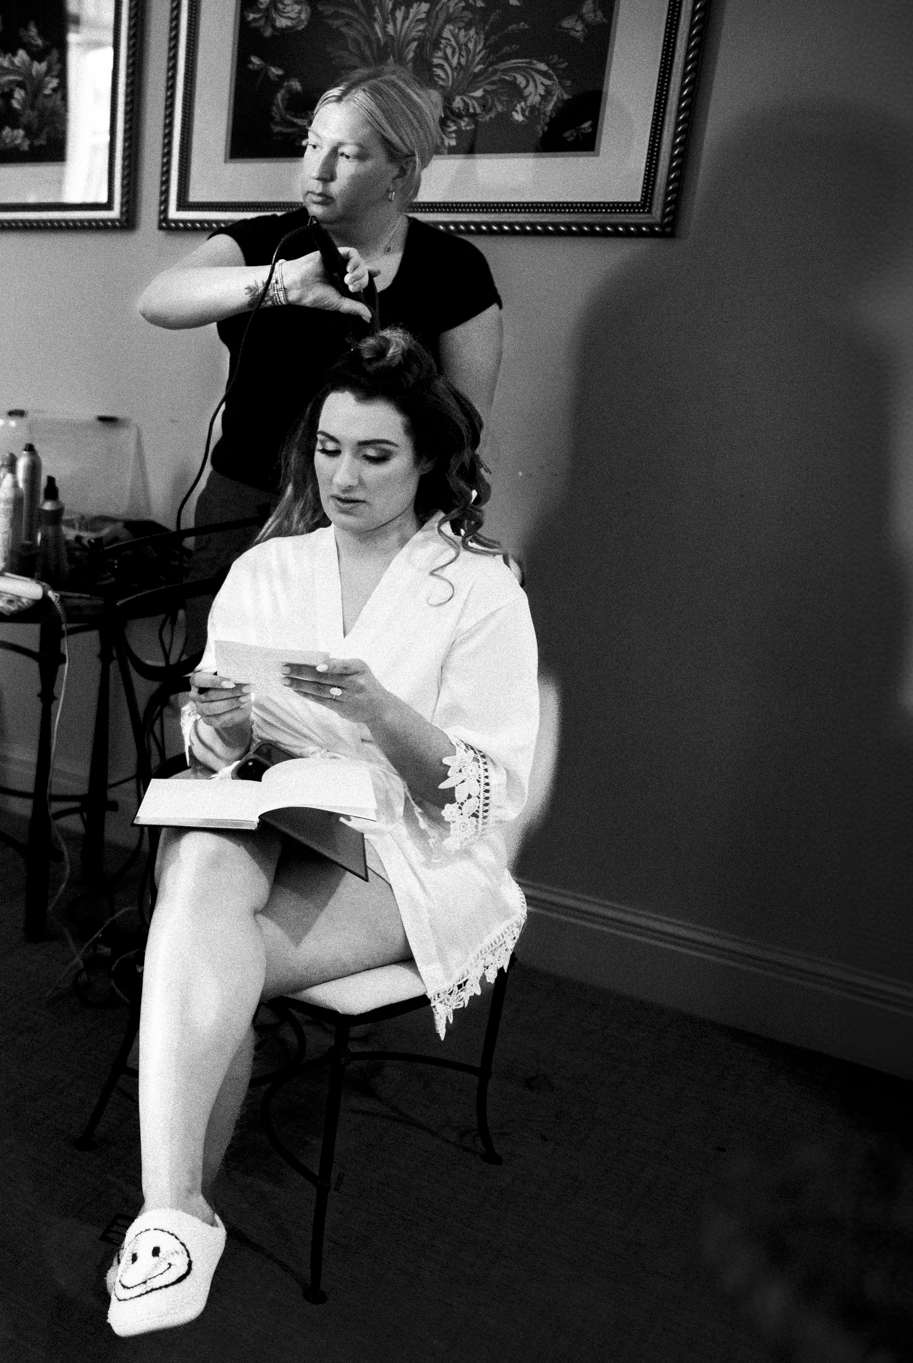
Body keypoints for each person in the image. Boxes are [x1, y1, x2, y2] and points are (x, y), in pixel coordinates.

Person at [104, 331, 537, 1336]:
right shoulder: (272, 567)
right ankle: (176, 1210)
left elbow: (478, 799)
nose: (343, 474)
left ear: (429, 458)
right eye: (330, 448)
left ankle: (172, 1213)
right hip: (279, 810)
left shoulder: (479, 589)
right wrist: (211, 722)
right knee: (208, 855)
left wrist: (382, 707)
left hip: (407, 854)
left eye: (374, 454)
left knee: (206, 942)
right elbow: (218, 738)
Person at [135, 67, 503, 575]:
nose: (318, 170)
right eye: (312, 146)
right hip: (247, 513)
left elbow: (463, 427)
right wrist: (283, 283)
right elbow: (158, 300)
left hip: (383, 526)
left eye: (347, 155)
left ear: (400, 170)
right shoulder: (262, 245)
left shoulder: (453, 269)